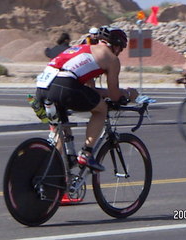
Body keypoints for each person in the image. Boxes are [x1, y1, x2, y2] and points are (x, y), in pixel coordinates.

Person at [36, 26, 138, 171]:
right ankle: (86, 153)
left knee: (60, 135)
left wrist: (104, 93)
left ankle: (57, 178)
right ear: (116, 45)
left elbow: (90, 90)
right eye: (121, 49)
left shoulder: (83, 48)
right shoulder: (111, 58)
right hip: (65, 85)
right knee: (101, 109)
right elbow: (115, 96)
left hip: (42, 87)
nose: (119, 53)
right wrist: (128, 93)